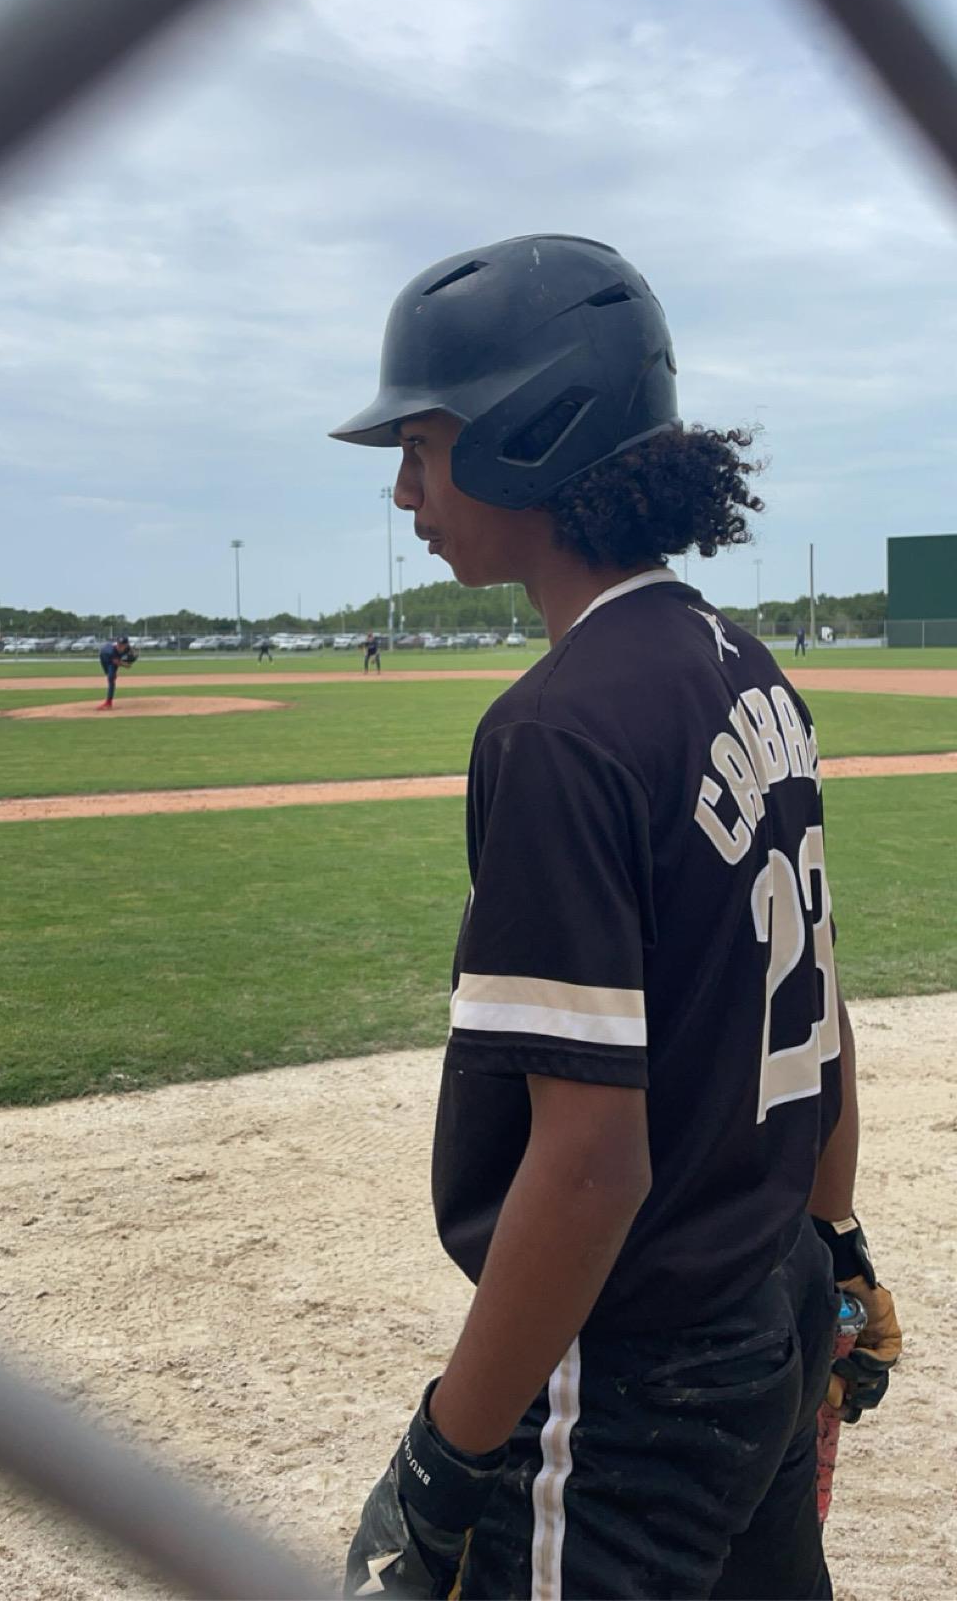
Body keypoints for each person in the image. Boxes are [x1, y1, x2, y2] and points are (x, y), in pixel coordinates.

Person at [331, 235, 901, 1601]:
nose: (406, 489)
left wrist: (446, 1459)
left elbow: (590, 1165)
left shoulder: (558, 730)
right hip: (764, 1317)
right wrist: (833, 1247)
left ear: (532, 436)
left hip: (632, 1380)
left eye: (423, 443)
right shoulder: (746, 670)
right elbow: (816, 1013)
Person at [97, 634, 133, 710]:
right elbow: (117, 662)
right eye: (119, 644)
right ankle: (112, 674)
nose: (119, 646)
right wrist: (126, 665)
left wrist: (132, 657)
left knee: (111, 679)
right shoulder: (112, 651)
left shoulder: (127, 648)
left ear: (126, 645)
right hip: (104, 657)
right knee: (110, 675)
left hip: (114, 659)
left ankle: (108, 703)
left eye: (122, 645)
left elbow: (132, 653)